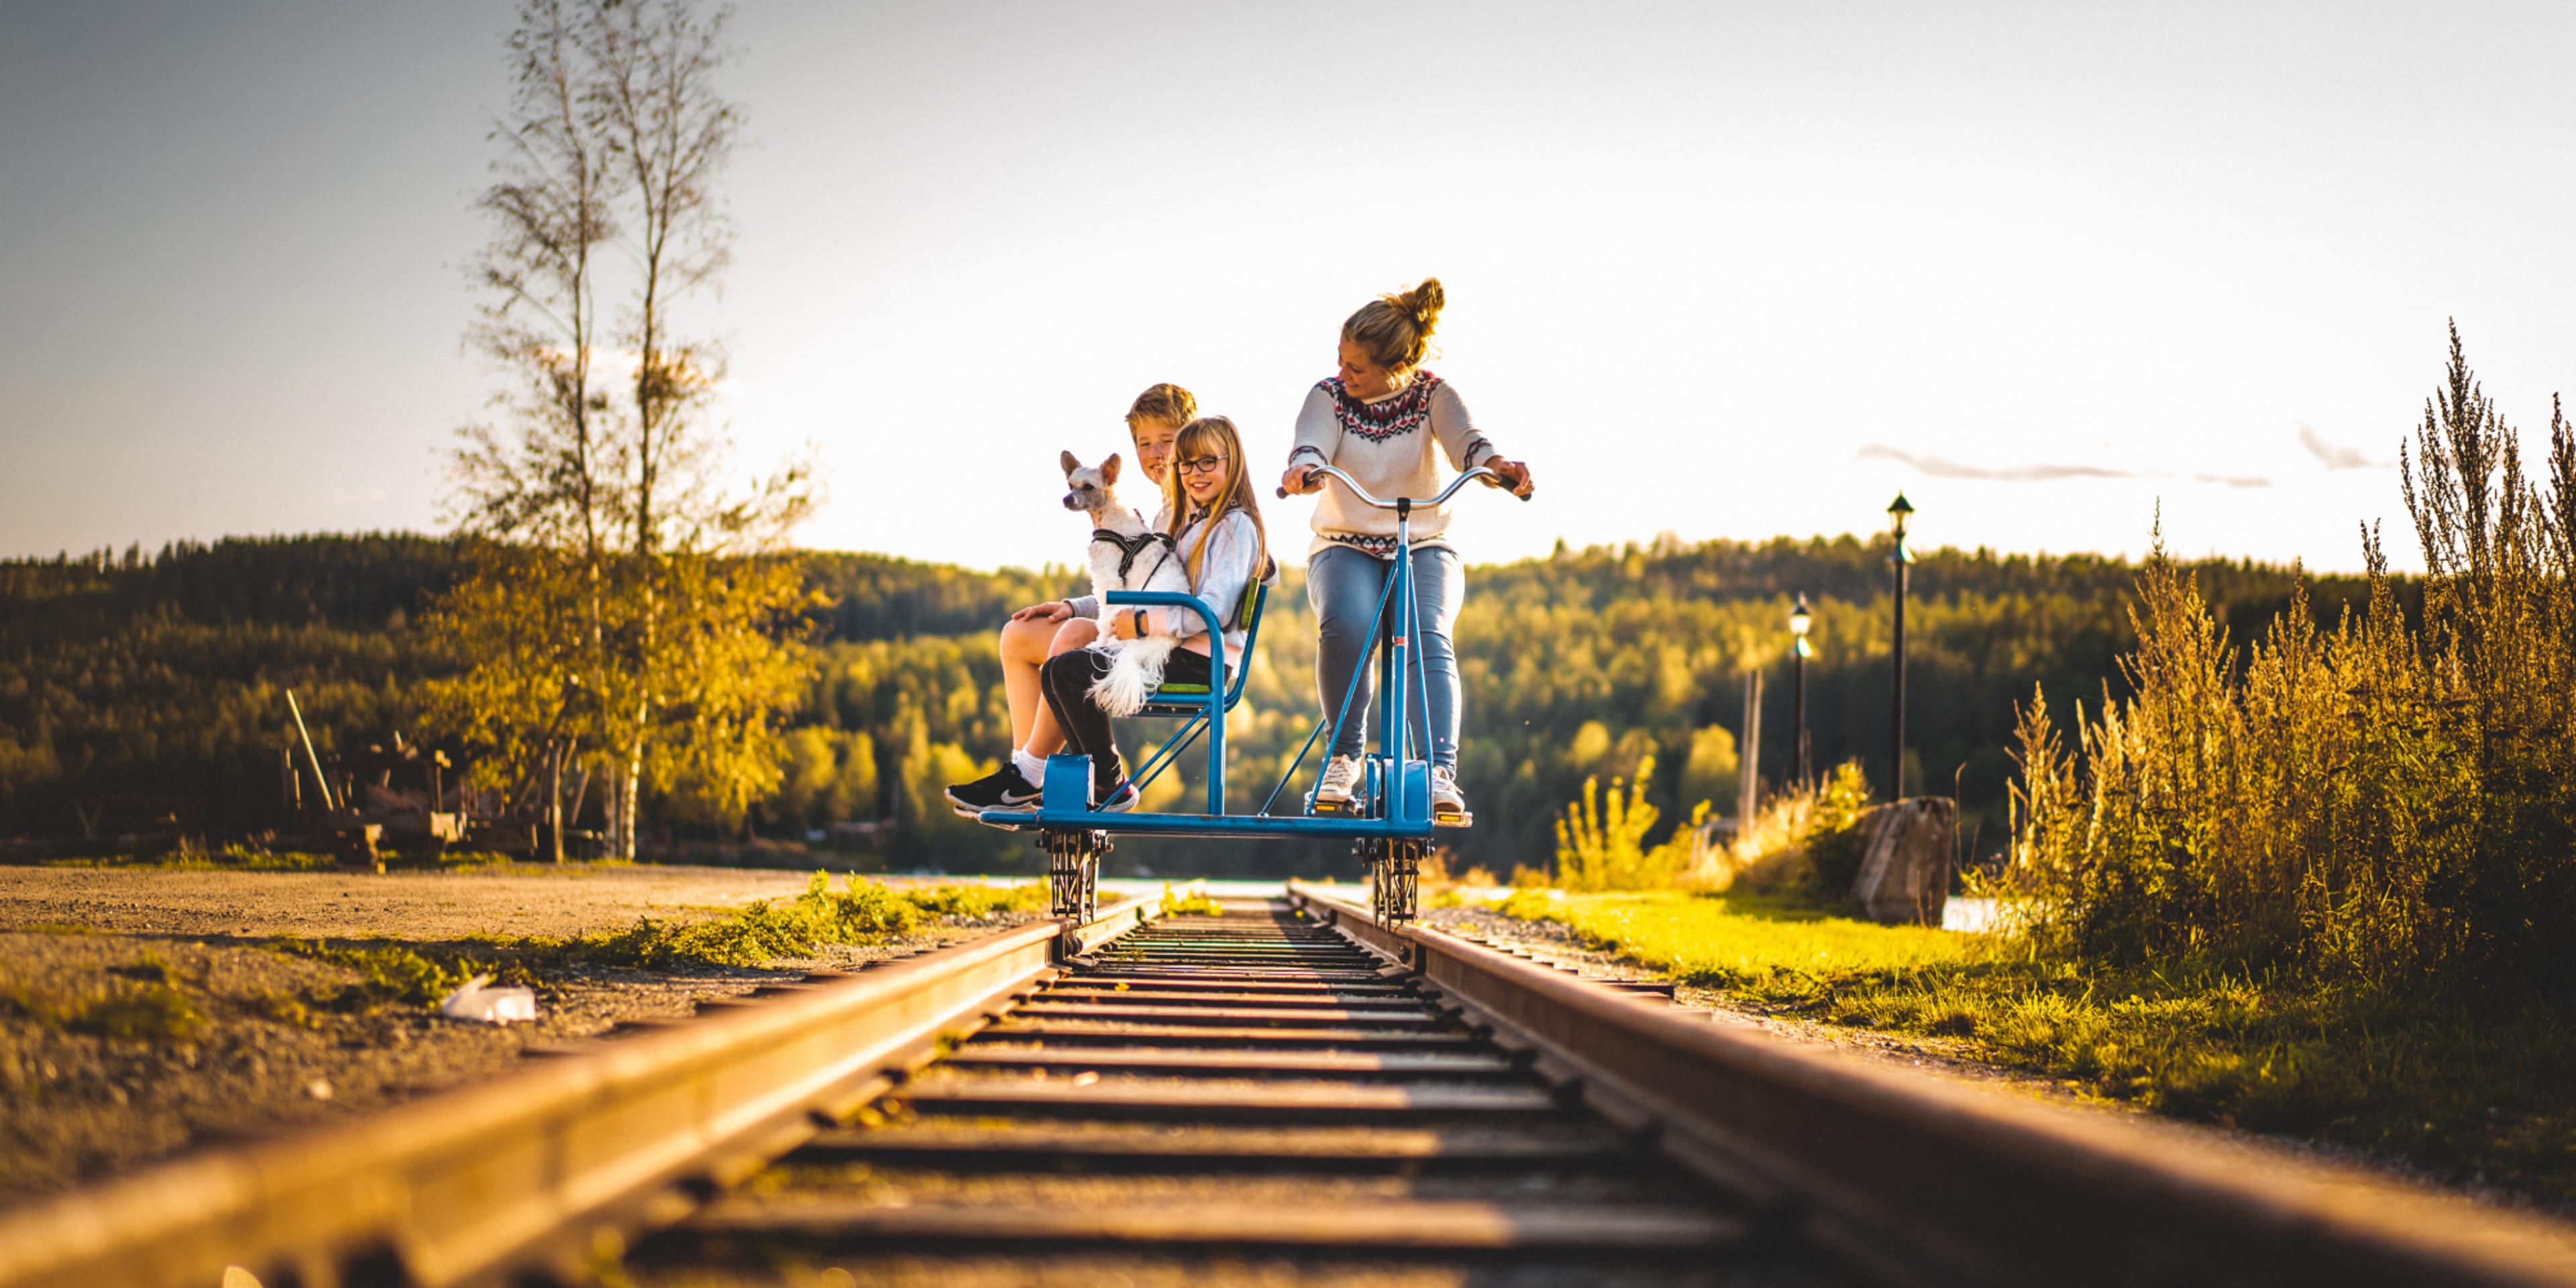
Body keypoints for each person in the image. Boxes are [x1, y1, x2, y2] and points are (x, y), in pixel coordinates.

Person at [1277, 278, 1534, 822]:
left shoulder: (1434, 396)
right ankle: (1344, 757)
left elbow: (1470, 444)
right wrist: (1303, 468)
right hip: (1344, 544)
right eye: (1341, 362)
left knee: (1427, 633)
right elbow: (1311, 441)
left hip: (1423, 542)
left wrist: (1497, 469)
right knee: (1346, 626)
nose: (1344, 375)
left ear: (1399, 366)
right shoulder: (1328, 396)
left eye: (1358, 368)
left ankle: (1439, 772)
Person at [945, 383, 1194, 818]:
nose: (1155, 454)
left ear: (1194, 437)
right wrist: (1074, 605)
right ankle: (1028, 773)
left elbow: (1171, 605)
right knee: (1020, 636)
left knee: (1076, 635)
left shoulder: (1193, 509)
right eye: (1144, 444)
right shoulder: (1159, 511)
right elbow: (1135, 591)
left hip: (1168, 644)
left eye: (1167, 441)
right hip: (1134, 626)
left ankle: (1031, 775)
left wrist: (1083, 617)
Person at [1038, 415, 1276, 811]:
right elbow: (1147, 585)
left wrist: (1143, 623)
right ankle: (1097, 781)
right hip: (1174, 645)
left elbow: (1213, 611)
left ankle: (1109, 783)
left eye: (1207, 462)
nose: (1194, 473)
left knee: (1068, 671)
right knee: (1055, 671)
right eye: (1185, 464)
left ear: (1231, 463)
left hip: (1202, 657)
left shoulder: (1235, 527)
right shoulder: (1190, 523)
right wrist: (1079, 608)